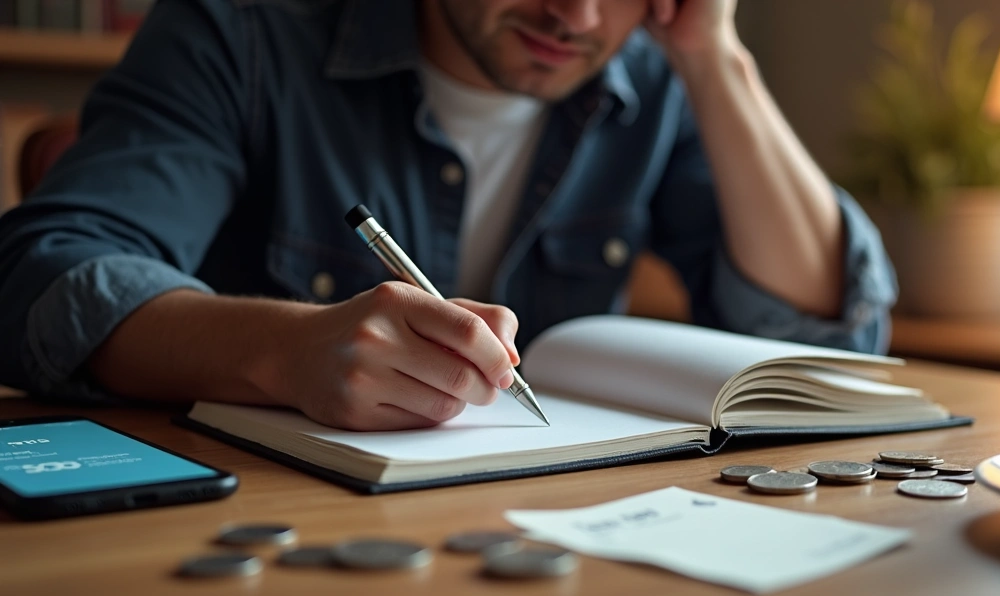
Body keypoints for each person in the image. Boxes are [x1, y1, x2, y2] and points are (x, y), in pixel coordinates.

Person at [0, 0, 896, 431]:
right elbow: (44, 275)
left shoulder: (658, 79)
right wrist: (285, 350)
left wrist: (718, 59)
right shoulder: (241, 31)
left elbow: (830, 334)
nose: (574, 14)